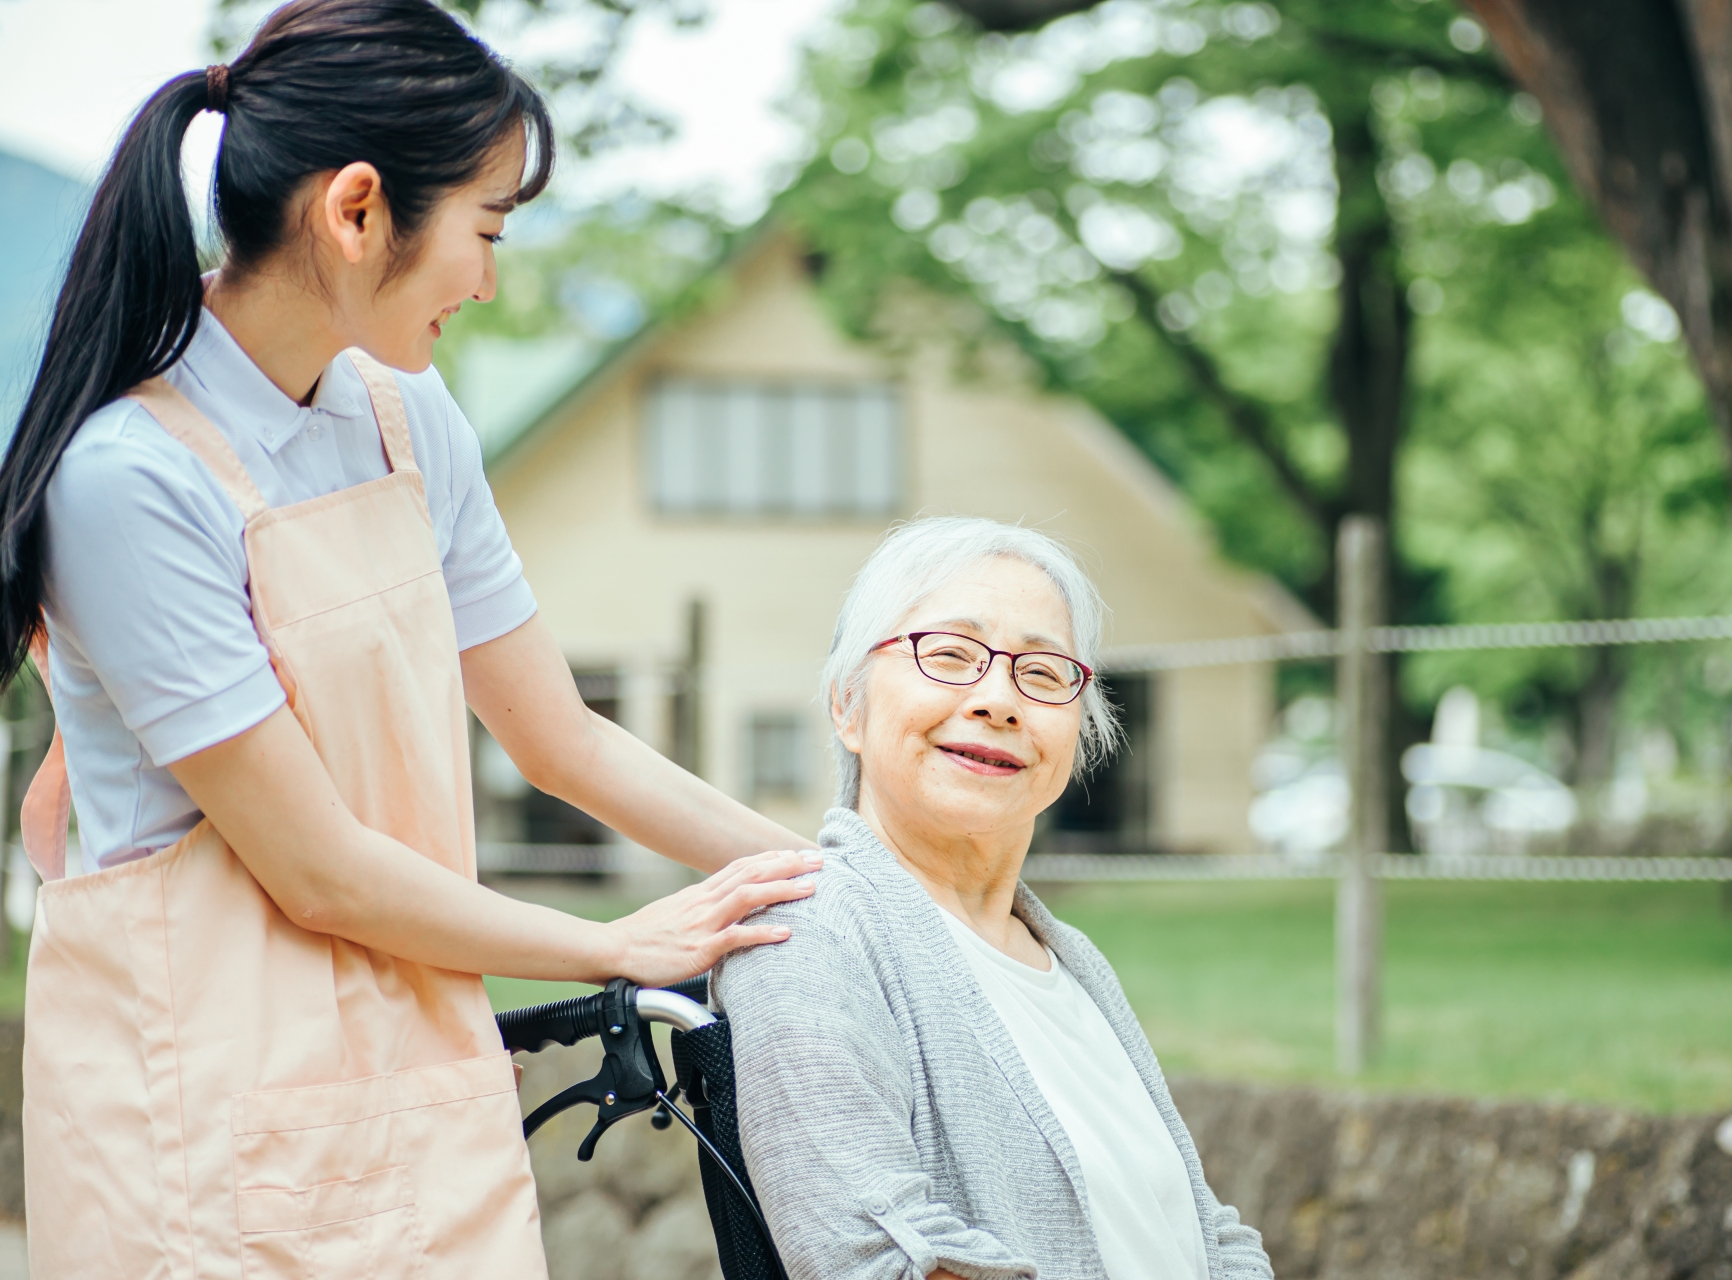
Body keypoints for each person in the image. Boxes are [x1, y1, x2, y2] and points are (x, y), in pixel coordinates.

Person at [0, 2, 819, 1274]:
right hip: (196, 1116)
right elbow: (317, 866)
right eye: (484, 229)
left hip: (415, 1084)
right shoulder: (129, 480)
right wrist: (616, 944)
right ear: (358, 209)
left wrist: (846, 886)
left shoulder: (407, 415)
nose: (490, 280)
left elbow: (561, 738)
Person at [715, 517, 1273, 1280]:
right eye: (949, 655)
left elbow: (1208, 1231)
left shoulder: (1071, 962)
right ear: (849, 705)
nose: (999, 700)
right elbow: (877, 1262)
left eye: (1044, 675)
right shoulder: (810, 936)